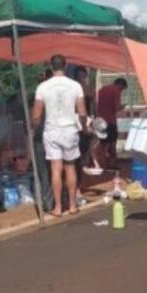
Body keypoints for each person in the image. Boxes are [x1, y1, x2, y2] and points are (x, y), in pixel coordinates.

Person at [33, 54, 87, 217]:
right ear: (65, 66)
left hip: (51, 130)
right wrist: (83, 126)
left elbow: (36, 115)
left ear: (51, 66)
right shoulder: (75, 86)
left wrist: (34, 129)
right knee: (70, 167)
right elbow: (82, 112)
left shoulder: (42, 87)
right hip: (69, 129)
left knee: (55, 168)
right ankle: (71, 205)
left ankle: (57, 207)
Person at [96, 77, 128, 169]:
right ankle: (111, 163)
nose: (121, 91)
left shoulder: (102, 90)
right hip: (110, 121)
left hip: (100, 119)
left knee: (102, 143)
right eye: (122, 89)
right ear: (121, 85)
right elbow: (117, 106)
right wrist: (122, 107)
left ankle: (99, 163)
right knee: (112, 143)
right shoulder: (116, 90)